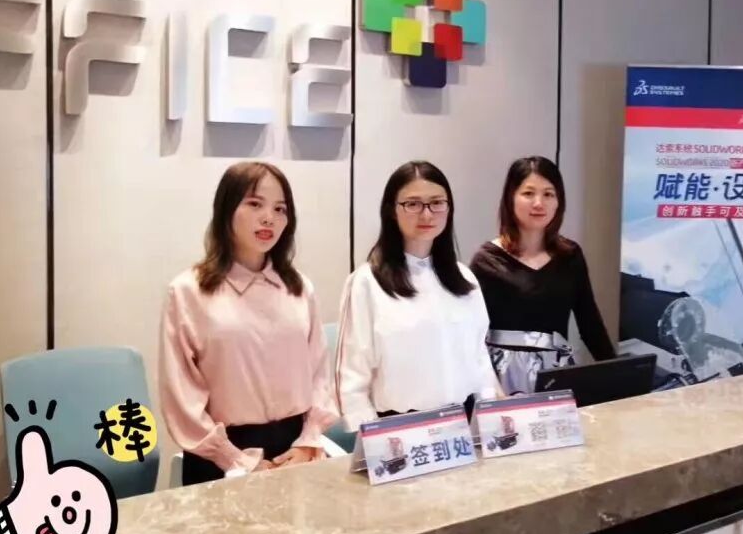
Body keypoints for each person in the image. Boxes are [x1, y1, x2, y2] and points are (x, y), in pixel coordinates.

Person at [159, 161, 336, 486]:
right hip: (222, 458)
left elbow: (319, 374)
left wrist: (308, 439)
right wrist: (236, 460)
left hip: (296, 452)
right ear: (226, 209)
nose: (269, 218)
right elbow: (181, 395)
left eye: (280, 209)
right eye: (255, 204)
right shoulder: (188, 291)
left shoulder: (299, 287)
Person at [335, 161, 499, 430]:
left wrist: (490, 415)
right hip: (400, 428)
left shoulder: (464, 279)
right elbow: (352, 376)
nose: (426, 214)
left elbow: (479, 357)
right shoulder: (366, 282)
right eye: (412, 204)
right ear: (392, 210)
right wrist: (368, 435)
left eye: (437, 203)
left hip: (465, 423)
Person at [470, 156, 615, 394]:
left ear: (559, 202)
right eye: (528, 193)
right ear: (510, 197)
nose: (539, 203)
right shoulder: (486, 261)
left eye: (549, 194)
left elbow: (590, 323)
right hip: (502, 381)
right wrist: (491, 390)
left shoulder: (570, 256)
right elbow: (472, 337)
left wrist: (617, 376)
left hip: (555, 377)